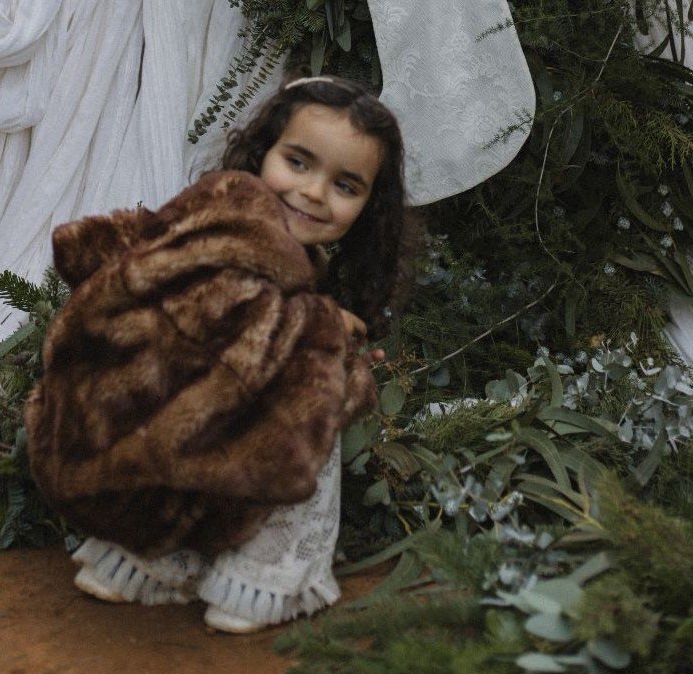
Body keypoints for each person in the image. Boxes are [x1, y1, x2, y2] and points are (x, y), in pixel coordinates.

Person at [25, 75, 412, 634]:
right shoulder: (238, 224)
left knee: (271, 398)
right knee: (314, 396)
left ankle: (162, 557)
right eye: (298, 162)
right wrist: (331, 340)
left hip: (154, 433)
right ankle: (265, 574)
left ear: (369, 205)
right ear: (262, 154)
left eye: (345, 185)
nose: (312, 192)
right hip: (126, 419)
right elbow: (229, 325)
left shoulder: (265, 239)